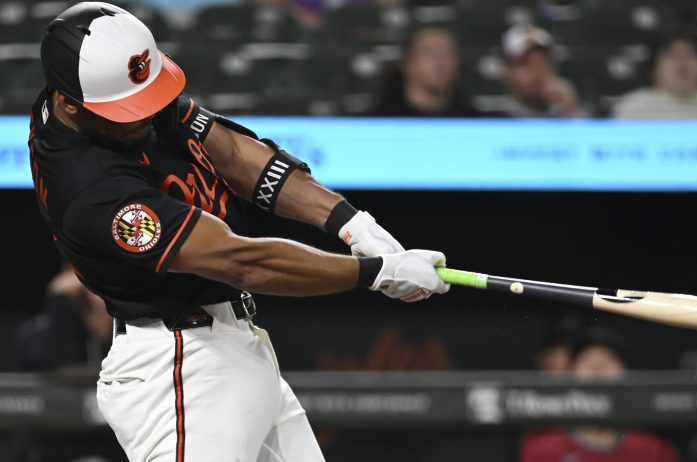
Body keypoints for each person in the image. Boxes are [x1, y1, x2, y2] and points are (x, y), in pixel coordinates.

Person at [31, 3, 449, 461]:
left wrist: (350, 222)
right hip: (178, 368)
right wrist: (374, 272)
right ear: (69, 102)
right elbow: (241, 261)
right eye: (130, 109)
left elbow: (229, 151)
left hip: (233, 348)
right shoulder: (89, 188)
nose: (147, 114)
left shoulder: (111, 93)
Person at [519, 327, 679, 462]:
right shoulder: (542, 451)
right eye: (587, 360)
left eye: (608, 359)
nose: (597, 368)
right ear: (570, 375)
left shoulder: (653, 451)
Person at [613, 27, 697, 120]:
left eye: (689, 55)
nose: (682, 64)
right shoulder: (632, 111)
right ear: (653, 67)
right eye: (673, 55)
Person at [370, 25, 481, 117]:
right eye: (429, 52)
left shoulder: (478, 123)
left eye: (447, 53)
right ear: (406, 64)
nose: (440, 62)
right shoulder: (375, 123)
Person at [16, 266, 112, 371]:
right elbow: (51, 363)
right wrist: (59, 296)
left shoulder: (119, 315)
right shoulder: (35, 333)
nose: (94, 297)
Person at [500, 24, 583, 118]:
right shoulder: (494, 119)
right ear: (508, 70)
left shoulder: (564, 113)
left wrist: (571, 109)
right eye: (526, 63)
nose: (538, 71)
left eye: (544, 62)